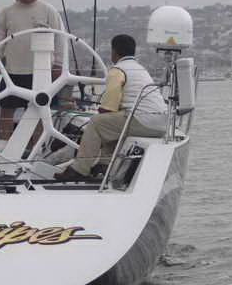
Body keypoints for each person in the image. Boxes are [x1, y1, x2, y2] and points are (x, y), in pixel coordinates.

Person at [55, 34, 167, 181]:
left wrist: (99, 112)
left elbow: (109, 106)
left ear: (114, 51)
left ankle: (79, 170)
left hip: (142, 121)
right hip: (160, 124)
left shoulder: (118, 70)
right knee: (110, 125)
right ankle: (103, 166)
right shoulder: (140, 69)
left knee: (97, 122)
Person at [0, 0, 64, 144]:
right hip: (13, 70)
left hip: (41, 72)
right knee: (6, 109)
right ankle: (4, 148)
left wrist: (59, 64)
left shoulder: (49, 11)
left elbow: (60, 39)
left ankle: (35, 150)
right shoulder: (7, 12)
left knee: (38, 111)